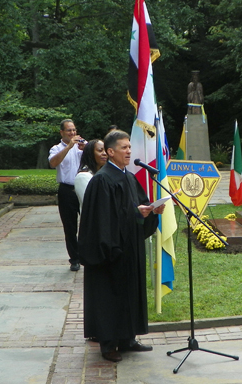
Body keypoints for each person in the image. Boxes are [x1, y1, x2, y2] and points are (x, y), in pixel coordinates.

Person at [78, 130, 165, 363]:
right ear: (110, 151)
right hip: (111, 251)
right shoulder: (102, 180)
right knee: (110, 295)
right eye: (124, 147)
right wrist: (136, 213)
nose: (129, 151)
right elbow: (102, 220)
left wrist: (151, 211)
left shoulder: (128, 177)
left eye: (129, 147)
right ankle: (108, 344)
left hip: (130, 247)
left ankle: (128, 338)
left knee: (130, 292)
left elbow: (138, 206)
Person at [49, 119, 86, 271]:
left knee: (88, 222)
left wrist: (86, 148)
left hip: (83, 187)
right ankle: (74, 258)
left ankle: (87, 255)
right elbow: (53, 163)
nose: (72, 133)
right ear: (62, 132)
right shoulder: (56, 148)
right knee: (70, 226)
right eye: (69, 131)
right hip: (66, 190)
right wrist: (69, 147)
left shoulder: (83, 145)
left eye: (74, 130)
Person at [74, 139, 108, 210]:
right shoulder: (83, 176)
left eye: (105, 150)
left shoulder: (104, 174)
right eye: (100, 150)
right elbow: (91, 203)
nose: (104, 153)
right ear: (90, 154)